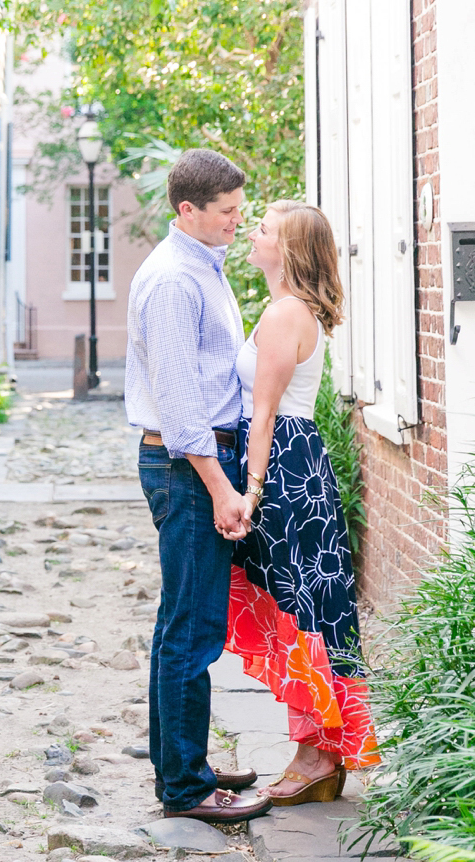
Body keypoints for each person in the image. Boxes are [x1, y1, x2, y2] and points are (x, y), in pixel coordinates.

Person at [126, 149, 273, 824]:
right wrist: (221, 487)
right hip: (188, 467)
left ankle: (185, 764)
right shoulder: (173, 283)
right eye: (227, 212)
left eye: (240, 211)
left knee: (185, 624)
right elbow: (183, 406)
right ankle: (185, 788)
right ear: (189, 211)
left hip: (195, 463)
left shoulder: (199, 269)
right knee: (190, 629)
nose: (237, 223)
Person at [225, 201, 381, 804]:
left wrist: (251, 490)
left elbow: (263, 412)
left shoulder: (287, 312)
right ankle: (315, 751)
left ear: (286, 249)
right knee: (304, 605)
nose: (252, 234)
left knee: (299, 606)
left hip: (283, 470)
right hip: (293, 463)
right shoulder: (290, 309)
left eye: (262, 229)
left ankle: (317, 756)